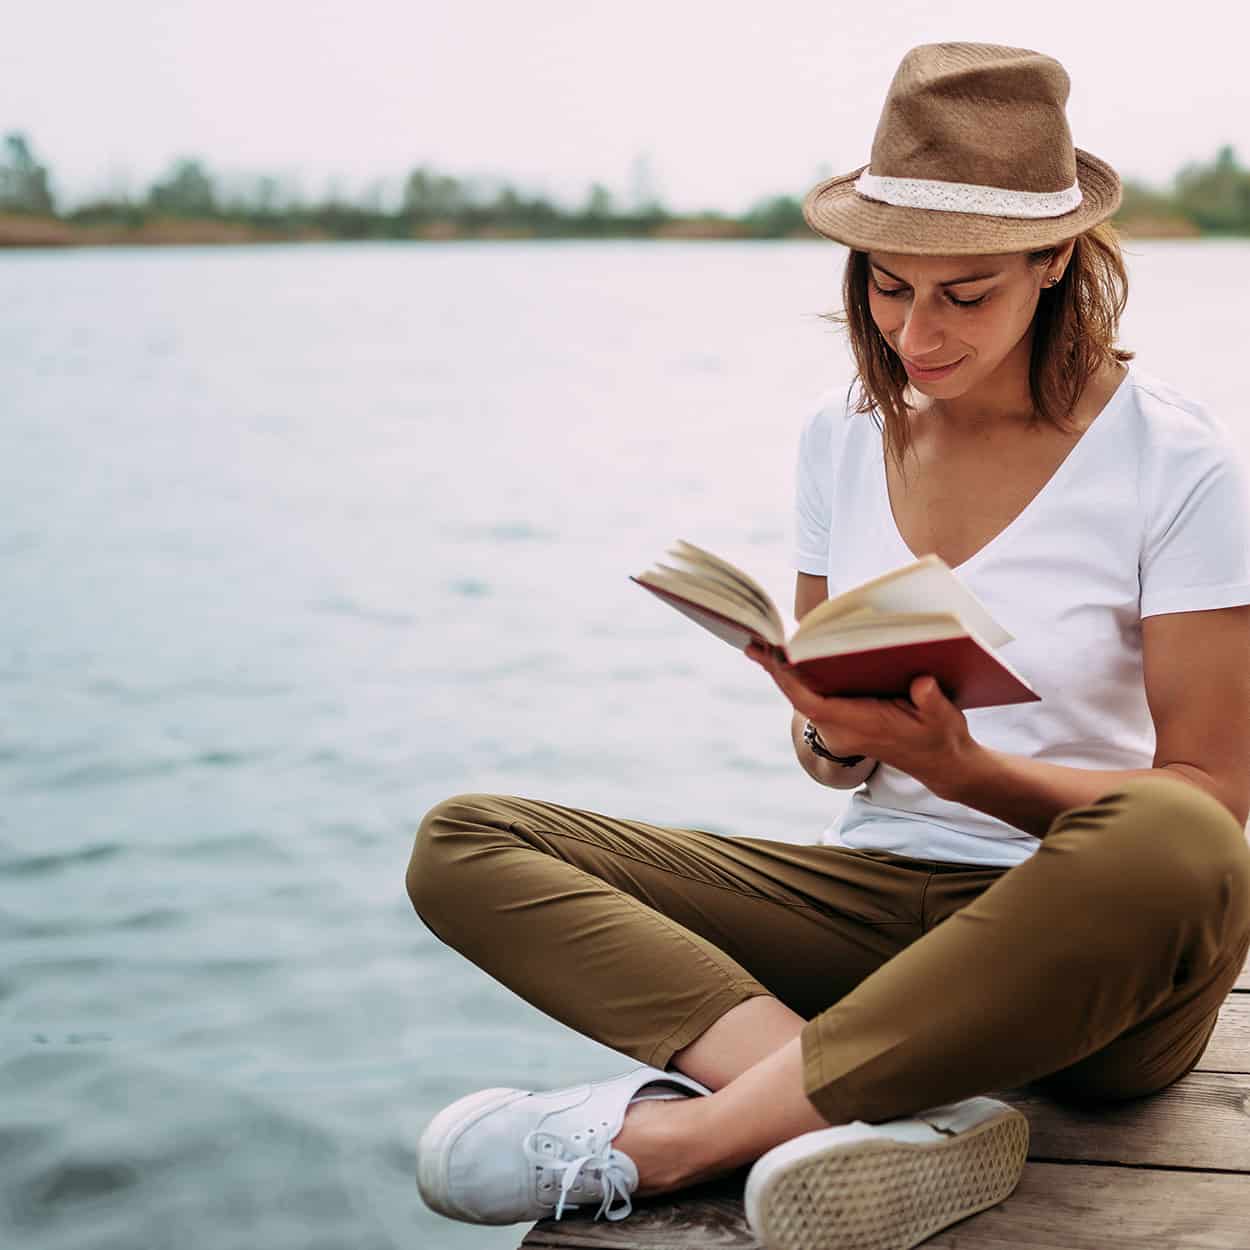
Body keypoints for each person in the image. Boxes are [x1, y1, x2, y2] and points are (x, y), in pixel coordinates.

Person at [405, 41, 1250, 1250]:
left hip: (1090, 943)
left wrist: (973, 774)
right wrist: (830, 734)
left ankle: (689, 1137)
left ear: (1055, 260)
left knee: (1172, 835)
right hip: (874, 905)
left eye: (964, 295)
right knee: (464, 842)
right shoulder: (842, 435)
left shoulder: (1172, 461)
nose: (915, 331)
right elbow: (826, 752)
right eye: (885, 284)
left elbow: (1212, 797)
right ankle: (866, 1095)